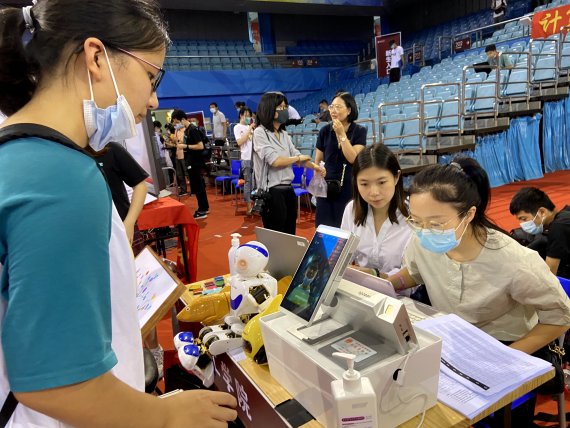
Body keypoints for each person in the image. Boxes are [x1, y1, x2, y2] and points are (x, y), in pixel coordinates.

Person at [0, 1, 237, 426]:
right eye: (150, 75)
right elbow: (54, 382)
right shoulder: (60, 177)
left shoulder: (22, 159)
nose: (154, 96)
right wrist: (163, 416)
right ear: (96, 58)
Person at [388, 157, 570, 360]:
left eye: (436, 224)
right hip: (453, 340)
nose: (424, 231)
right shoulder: (421, 239)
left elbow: (560, 317)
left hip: (502, 344)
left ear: (469, 214)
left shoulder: (514, 261)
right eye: (416, 221)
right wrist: (381, 281)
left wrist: (506, 356)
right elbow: (416, 272)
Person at [341, 144, 411, 278]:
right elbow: (343, 256)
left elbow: (413, 274)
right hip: (361, 290)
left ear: (396, 177)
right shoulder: (352, 209)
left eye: (382, 182)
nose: (374, 193)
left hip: (400, 295)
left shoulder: (413, 215)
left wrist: (376, 275)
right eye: (364, 184)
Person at [252, 91, 314, 234]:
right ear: (269, 109)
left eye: (285, 107)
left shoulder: (284, 134)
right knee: (276, 235)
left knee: (290, 232)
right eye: (281, 107)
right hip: (272, 193)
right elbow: (275, 161)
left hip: (288, 190)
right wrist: (298, 159)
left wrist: (315, 167)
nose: (285, 111)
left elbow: (297, 155)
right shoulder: (260, 133)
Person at [312, 91, 367, 228]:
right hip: (326, 187)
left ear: (349, 110)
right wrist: (318, 175)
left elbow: (353, 158)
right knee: (324, 228)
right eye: (332, 107)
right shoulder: (324, 131)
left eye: (338, 107)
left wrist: (342, 134)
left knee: (346, 228)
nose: (333, 111)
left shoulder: (359, 131)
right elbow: (318, 160)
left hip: (348, 186)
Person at [510, 187, 570, 279]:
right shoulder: (566, 212)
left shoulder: (558, 227)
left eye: (524, 219)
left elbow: (549, 277)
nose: (522, 224)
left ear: (542, 212)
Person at [171, 109, 210, 219]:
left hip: (195, 162)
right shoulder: (187, 130)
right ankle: (203, 207)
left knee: (199, 186)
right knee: (197, 186)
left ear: (182, 119)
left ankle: (202, 209)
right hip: (191, 161)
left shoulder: (192, 129)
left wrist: (186, 147)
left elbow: (200, 146)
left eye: (176, 122)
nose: (175, 124)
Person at [234, 106, 255, 215]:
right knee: (248, 183)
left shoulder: (249, 127)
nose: (248, 118)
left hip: (255, 159)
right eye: (246, 115)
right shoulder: (237, 127)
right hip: (246, 158)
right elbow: (240, 142)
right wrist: (249, 129)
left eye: (249, 116)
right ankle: (248, 207)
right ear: (241, 115)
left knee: (255, 183)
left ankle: (256, 205)